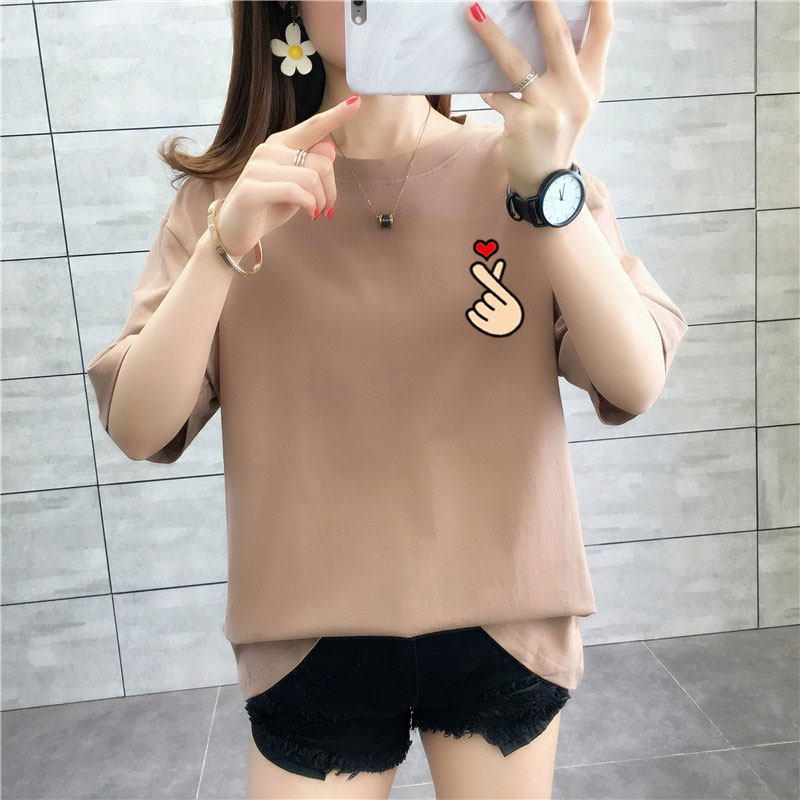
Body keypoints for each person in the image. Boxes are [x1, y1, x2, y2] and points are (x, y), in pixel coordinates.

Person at [86, 1, 688, 797]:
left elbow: (634, 380)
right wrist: (222, 247)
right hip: (309, 635)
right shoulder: (231, 202)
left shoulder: (524, 169)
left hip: (503, 621)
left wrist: (549, 189)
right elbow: (140, 427)